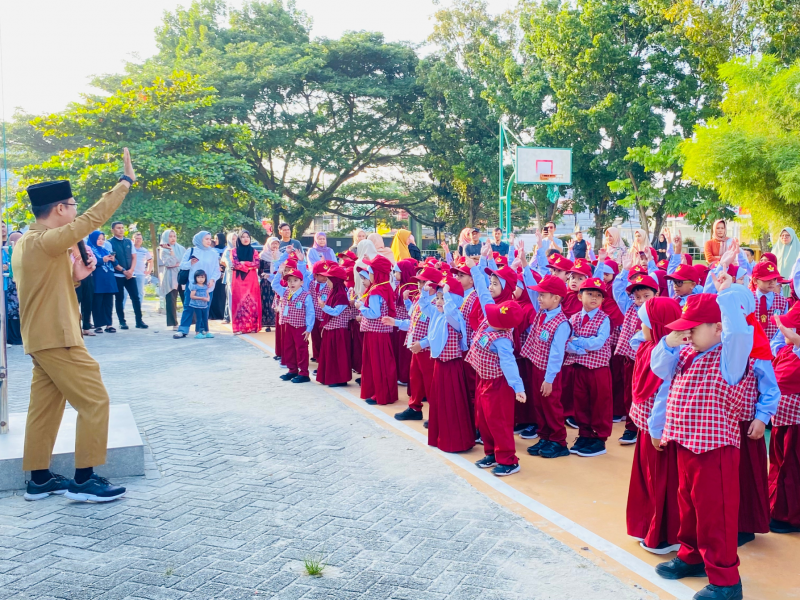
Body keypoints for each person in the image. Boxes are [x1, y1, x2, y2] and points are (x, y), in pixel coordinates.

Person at [15, 148, 136, 503]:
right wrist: (124, 183)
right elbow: (91, 220)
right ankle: (83, 480)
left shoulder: (27, 243)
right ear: (59, 210)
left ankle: (38, 479)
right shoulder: (47, 240)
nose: (75, 210)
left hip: (40, 337)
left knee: (44, 408)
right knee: (95, 400)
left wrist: (76, 280)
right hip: (58, 337)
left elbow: (43, 288)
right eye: (71, 205)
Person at [650, 280, 753, 600]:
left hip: (715, 449)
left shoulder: (729, 356)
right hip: (684, 442)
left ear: (718, 328)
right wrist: (669, 340)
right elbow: (659, 368)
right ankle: (692, 555)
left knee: (716, 513)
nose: (687, 334)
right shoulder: (683, 352)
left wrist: (726, 295)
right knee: (690, 505)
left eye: (694, 329)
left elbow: (739, 332)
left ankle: (725, 580)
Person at [627, 297, 682, 555]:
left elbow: (664, 395)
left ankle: (662, 534)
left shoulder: (669, 354)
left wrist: (656, 431)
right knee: (650, 481)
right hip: (648, 427)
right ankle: (650, 527)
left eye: (645, 321)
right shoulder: (654, 346)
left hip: (658, 431)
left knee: (660, 481)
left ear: (659, 324)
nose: (641, 325)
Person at [465, 253, 526, 476]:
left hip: (498, 384)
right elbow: (483, 294)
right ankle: (491, 452)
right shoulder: (493, 319)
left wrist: (518, 388)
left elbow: (510, 365)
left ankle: (508, 459)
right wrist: (475, 269)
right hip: (484, 379)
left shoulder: (501, 339)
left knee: (498, 421)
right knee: (484, 418)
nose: (487, 307)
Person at [520, 275, 571, 458]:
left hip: (550, 372)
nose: (539, 298)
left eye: (543, 295)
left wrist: (549, 379)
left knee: (551, 404)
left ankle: (558, 441)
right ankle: (545, 436)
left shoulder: (561, 323)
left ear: (556, 298)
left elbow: (556, 354)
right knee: (539, 404)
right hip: (536, 366)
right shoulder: (542, 313)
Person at [770, 308, 800, 535]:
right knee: (782, 464)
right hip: (784, 419)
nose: (783, 329)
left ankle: (789, 515)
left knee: (790, 466)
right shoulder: (791, 350)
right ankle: (781, 510)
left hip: (794, 424)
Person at [357, 255, 398, 405]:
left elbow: (374, 313)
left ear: (378, 273)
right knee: (384, 363)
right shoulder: (385, 286)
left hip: (375, 333)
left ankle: (379, 394)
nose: (369, 274)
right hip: (382, 332)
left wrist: (360, 307)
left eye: (371, 270)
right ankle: (385, 393)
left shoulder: (376, 291)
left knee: (377, 364)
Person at [271, 263, 314, 383]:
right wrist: (279, 273)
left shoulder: (306, 295)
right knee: (288, 348)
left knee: (301, 349)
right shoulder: (285, 292)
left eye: (295, 280)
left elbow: (310, 313)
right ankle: (292, 370)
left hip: (300, 327)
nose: (292, 283)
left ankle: (304, 373)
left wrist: (309, 328)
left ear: (301, 282)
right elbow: (274, 285)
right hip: (288, 325)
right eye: (289, 281)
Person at [174, 231, 221, 339]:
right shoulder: (192, 251)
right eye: (206, 239)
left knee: (205, 309)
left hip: (207, 286)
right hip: (193, 285)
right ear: (200, 240)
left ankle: (203, 330)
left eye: (210, 239)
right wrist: (190, 263)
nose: (209, 241)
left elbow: (216, 270)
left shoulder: (213, 253)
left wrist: (213, 280)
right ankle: (182, 330)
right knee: (188, 307)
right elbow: (182, 266)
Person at [316, 264, 352, 387]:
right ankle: (329, 377)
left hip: (339, 330)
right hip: (331, 328)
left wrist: (323, 307)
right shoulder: (334, 292)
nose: (327, 282)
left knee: (339, 355)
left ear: (336, 280)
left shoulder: (341, 294)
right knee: (330, 354)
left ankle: (340, 379)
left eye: (329, 279)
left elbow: (336, 311)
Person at [108, 222, 147, 330]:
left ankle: (139, 321)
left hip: (130, 275)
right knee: (119, 298)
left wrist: (131, 270)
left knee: (136, 297)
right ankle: (122, 322)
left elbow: (134, 257)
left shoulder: (128, 242)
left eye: (122, 228)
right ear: (112, 230)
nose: (121, 230)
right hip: (118, 275)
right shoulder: (109, 243)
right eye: (118, 228)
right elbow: (112, 260)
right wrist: (124, 270)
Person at [230, 230, 261, 334]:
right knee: (240, 301)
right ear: (239, 239)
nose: (245, 239)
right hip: (239, 280)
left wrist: (244, 263)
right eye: (243, 237)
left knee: (252, 301)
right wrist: (247, 267)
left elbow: (256, 264)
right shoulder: (233, 251)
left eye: (247, 236)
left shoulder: (254, 251)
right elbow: (235, 264)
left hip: (252, 280)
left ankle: (252, 326)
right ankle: (239, 328)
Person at [87, 231, 118, 334]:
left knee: (108, 303)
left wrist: (113, 259)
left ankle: (109, 325)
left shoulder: (105, 250)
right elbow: (89, 262)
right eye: (98, 239)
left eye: (102, 239)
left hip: (108, 280)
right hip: (97, 280)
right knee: (97, 303)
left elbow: (115, 263)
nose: (101, 241)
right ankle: (98, 325)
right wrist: (101, 260)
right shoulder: (89, 250)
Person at [158, 229, 185, 330]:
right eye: (170, 236)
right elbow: (169, 263)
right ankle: (174, 323)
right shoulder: (163, 250)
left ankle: (190, 321)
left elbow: (184, 262)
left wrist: (177, 262)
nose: (173, 238)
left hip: (182, 275)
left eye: (174, 236)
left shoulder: (181, 248)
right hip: (170, 276)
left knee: (186, 298)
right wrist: (172, 252)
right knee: (171, 300)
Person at [4, 233, 23, 345]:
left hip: (19, 287)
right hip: (10, 288)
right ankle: (13, 337)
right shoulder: (6, 252)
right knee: (12, 311)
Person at [125, 232, 152, 310]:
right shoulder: (129, 249)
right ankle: (122, 308)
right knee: (125, 292)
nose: (138, 240)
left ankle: (138, 308)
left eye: (140, 239)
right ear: (133, 240)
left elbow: (150, 261)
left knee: (140, 292)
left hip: (140, 274)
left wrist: (148, 270)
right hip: (129, 273)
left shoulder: (144, 251)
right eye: (136, 238)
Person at [259, 236, 280, 332]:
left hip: (277, 281)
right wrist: (264, 275)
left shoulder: (281, 255)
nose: (275, 245)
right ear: (268, 244)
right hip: (266, 283)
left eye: (276, 243)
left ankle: (276, 322)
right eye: (273, 243)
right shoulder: (263, 255)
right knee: (266, 302)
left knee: (276, 301)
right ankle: (267, 324)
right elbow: (259, 270)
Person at [186, 270, 213, 339]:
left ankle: (207, 331)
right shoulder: (195, 286)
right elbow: (192, 296)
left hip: (204, 305)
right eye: (199, 277)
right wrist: (201, 298)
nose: (201, 279)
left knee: (205, 319)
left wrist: (208, 299)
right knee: (199, 319)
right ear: (195, 278)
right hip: (197, 306)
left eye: (202, 277)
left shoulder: (205, 286)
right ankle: (197, 332)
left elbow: (207, 294)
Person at [215, 232, 235, 322]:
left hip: (238, 275)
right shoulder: (228, 250)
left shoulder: (239, 249)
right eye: (233, 239)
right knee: (228, 295)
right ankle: (227, 316)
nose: (235, 241)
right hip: (229, 275)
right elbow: (224, 261)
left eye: (236, 239)